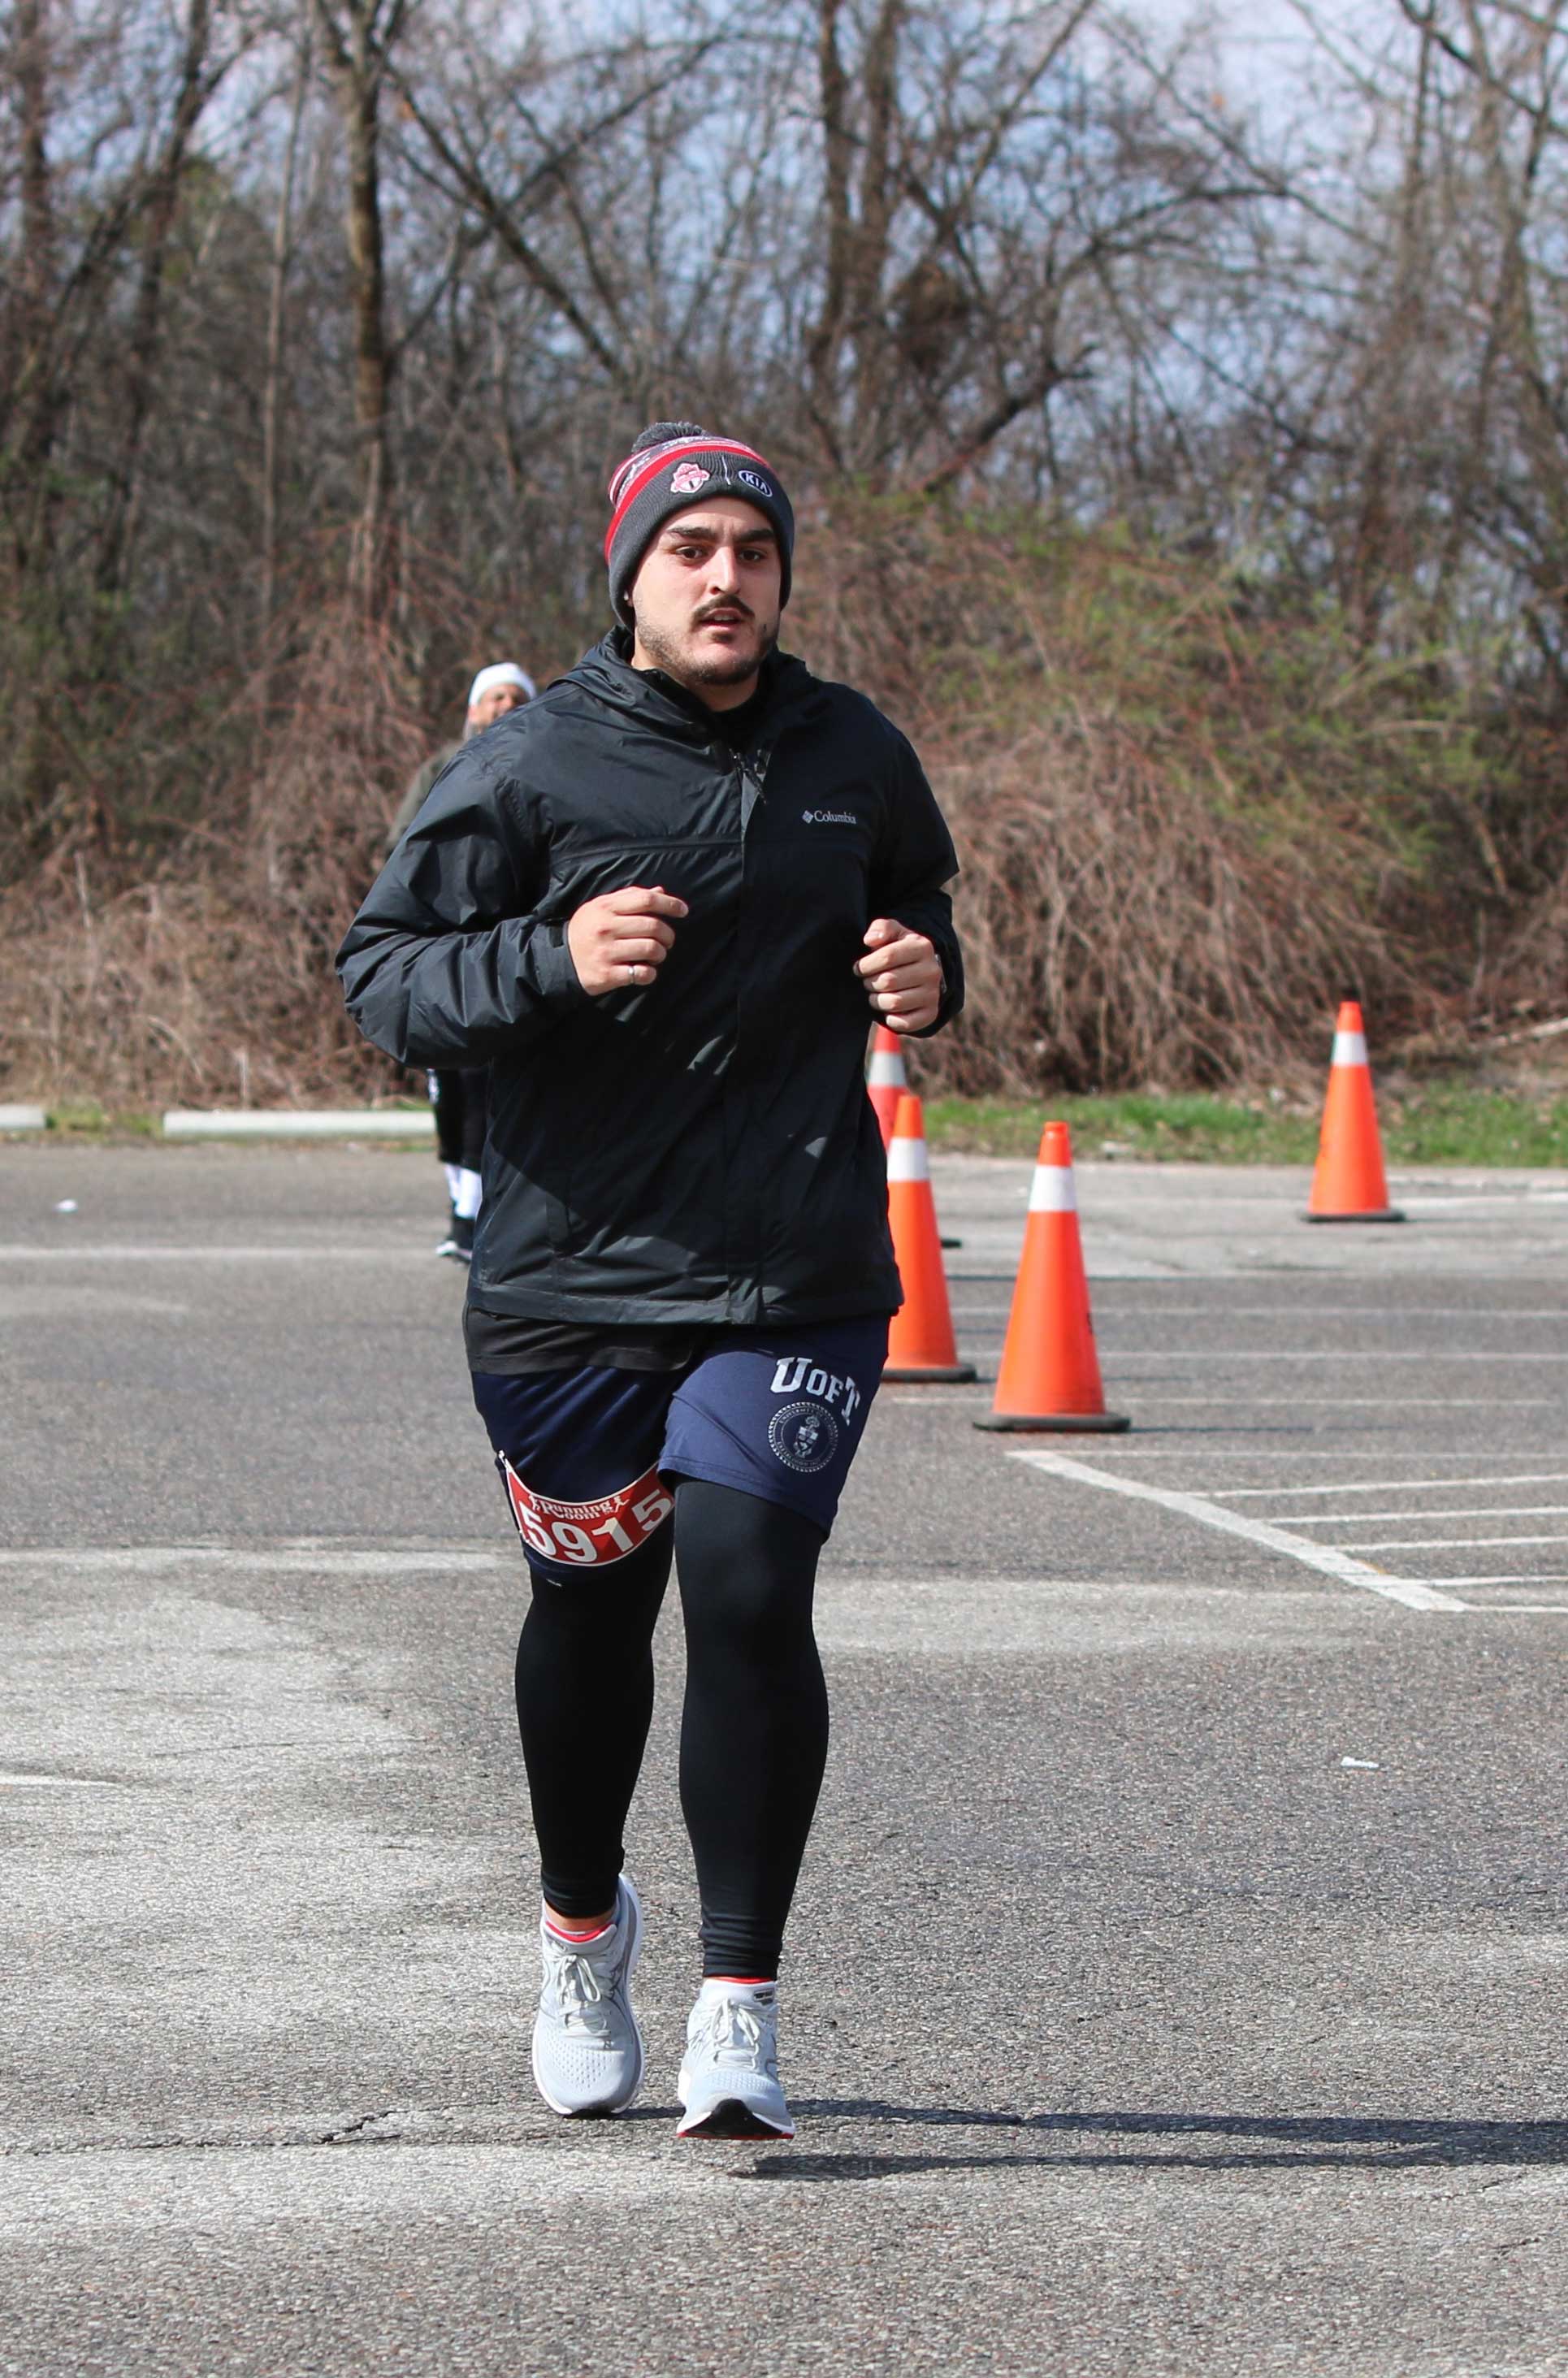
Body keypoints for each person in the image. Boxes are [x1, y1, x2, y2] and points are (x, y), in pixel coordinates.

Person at [338, 422, 963, 2141]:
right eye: (689, 550)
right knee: (591, 1612)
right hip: (569, 1281)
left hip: (792, 1268)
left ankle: (738, 2003)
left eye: (752, 550)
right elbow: (384, 977)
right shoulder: (529, 760)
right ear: (630, 579)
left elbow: (913, 900)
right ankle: (578, 1929)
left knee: (749, 1589)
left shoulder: (852, 750)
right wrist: (549, 953)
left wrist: (930, 967)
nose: (724, 577)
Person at [391, 662, 537, 1259]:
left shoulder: (551, 764)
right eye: (494, 697)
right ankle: (460, 1203)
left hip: (511, 950)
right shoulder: (441, 770)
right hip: (444, 947)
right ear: (474, 709)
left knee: (490, 1086)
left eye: (517, 697)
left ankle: (478, 1218)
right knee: (449, 1087)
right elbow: (402, 848)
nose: (505, 705)